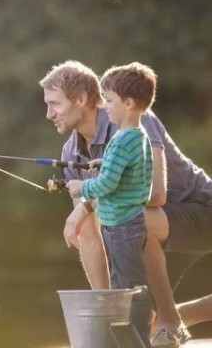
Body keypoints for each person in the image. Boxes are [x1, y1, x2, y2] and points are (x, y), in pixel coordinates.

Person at [39, 60, 212, 347]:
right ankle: (165, 320)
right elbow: (90, 236)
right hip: (152, 233)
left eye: (54, 104)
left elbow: (156, 195)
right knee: (115, 227)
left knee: (131, 218)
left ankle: (168, 320)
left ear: (81, 99)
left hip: (202, 211)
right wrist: (108, 313)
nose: (49, 113)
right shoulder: (72, 151)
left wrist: (87, 203)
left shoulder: (134, 118)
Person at [63, 62, 155, 345]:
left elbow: (105, 185)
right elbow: (135, 173)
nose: (106, 106)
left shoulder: (120, 140)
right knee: (128, 284)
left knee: (128, 289)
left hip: (121, 227)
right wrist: (106, 163)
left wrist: (81, 186)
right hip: (131, 223)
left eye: (110, 101)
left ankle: (137, 339)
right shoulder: (137, 137)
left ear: (128, 103)